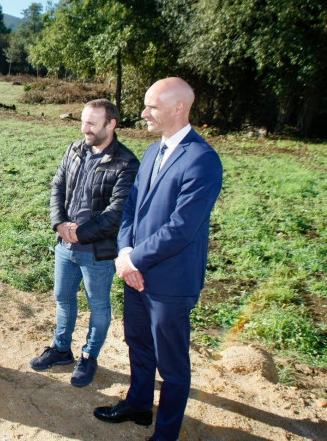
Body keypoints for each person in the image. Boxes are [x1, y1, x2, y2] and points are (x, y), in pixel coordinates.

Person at [93, 78, 223, 441]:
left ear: (178, 108)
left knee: (173, 364)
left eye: (151, 106)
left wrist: (134, 261)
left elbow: (182, 228)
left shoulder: (203, 160)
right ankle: (138, 404)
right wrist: (124, 253)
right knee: (138, 343)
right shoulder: (152, 151)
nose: (144, 113)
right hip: (135, 270)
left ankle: (165, 434)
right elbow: (132, 208)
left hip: (169, 281)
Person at [30, 99, 139, 387]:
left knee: (99, 306)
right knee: (63, 298)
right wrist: (59, 223)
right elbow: (57, 186)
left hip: (97, 252)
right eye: (82, 121)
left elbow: (117, 212)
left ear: (111, 124)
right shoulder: (74, 149)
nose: (84, 129)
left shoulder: (126, 163)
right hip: (64, 246)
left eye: (91, 123)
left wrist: (80, 233)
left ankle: (89, 357)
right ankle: (61, 349)